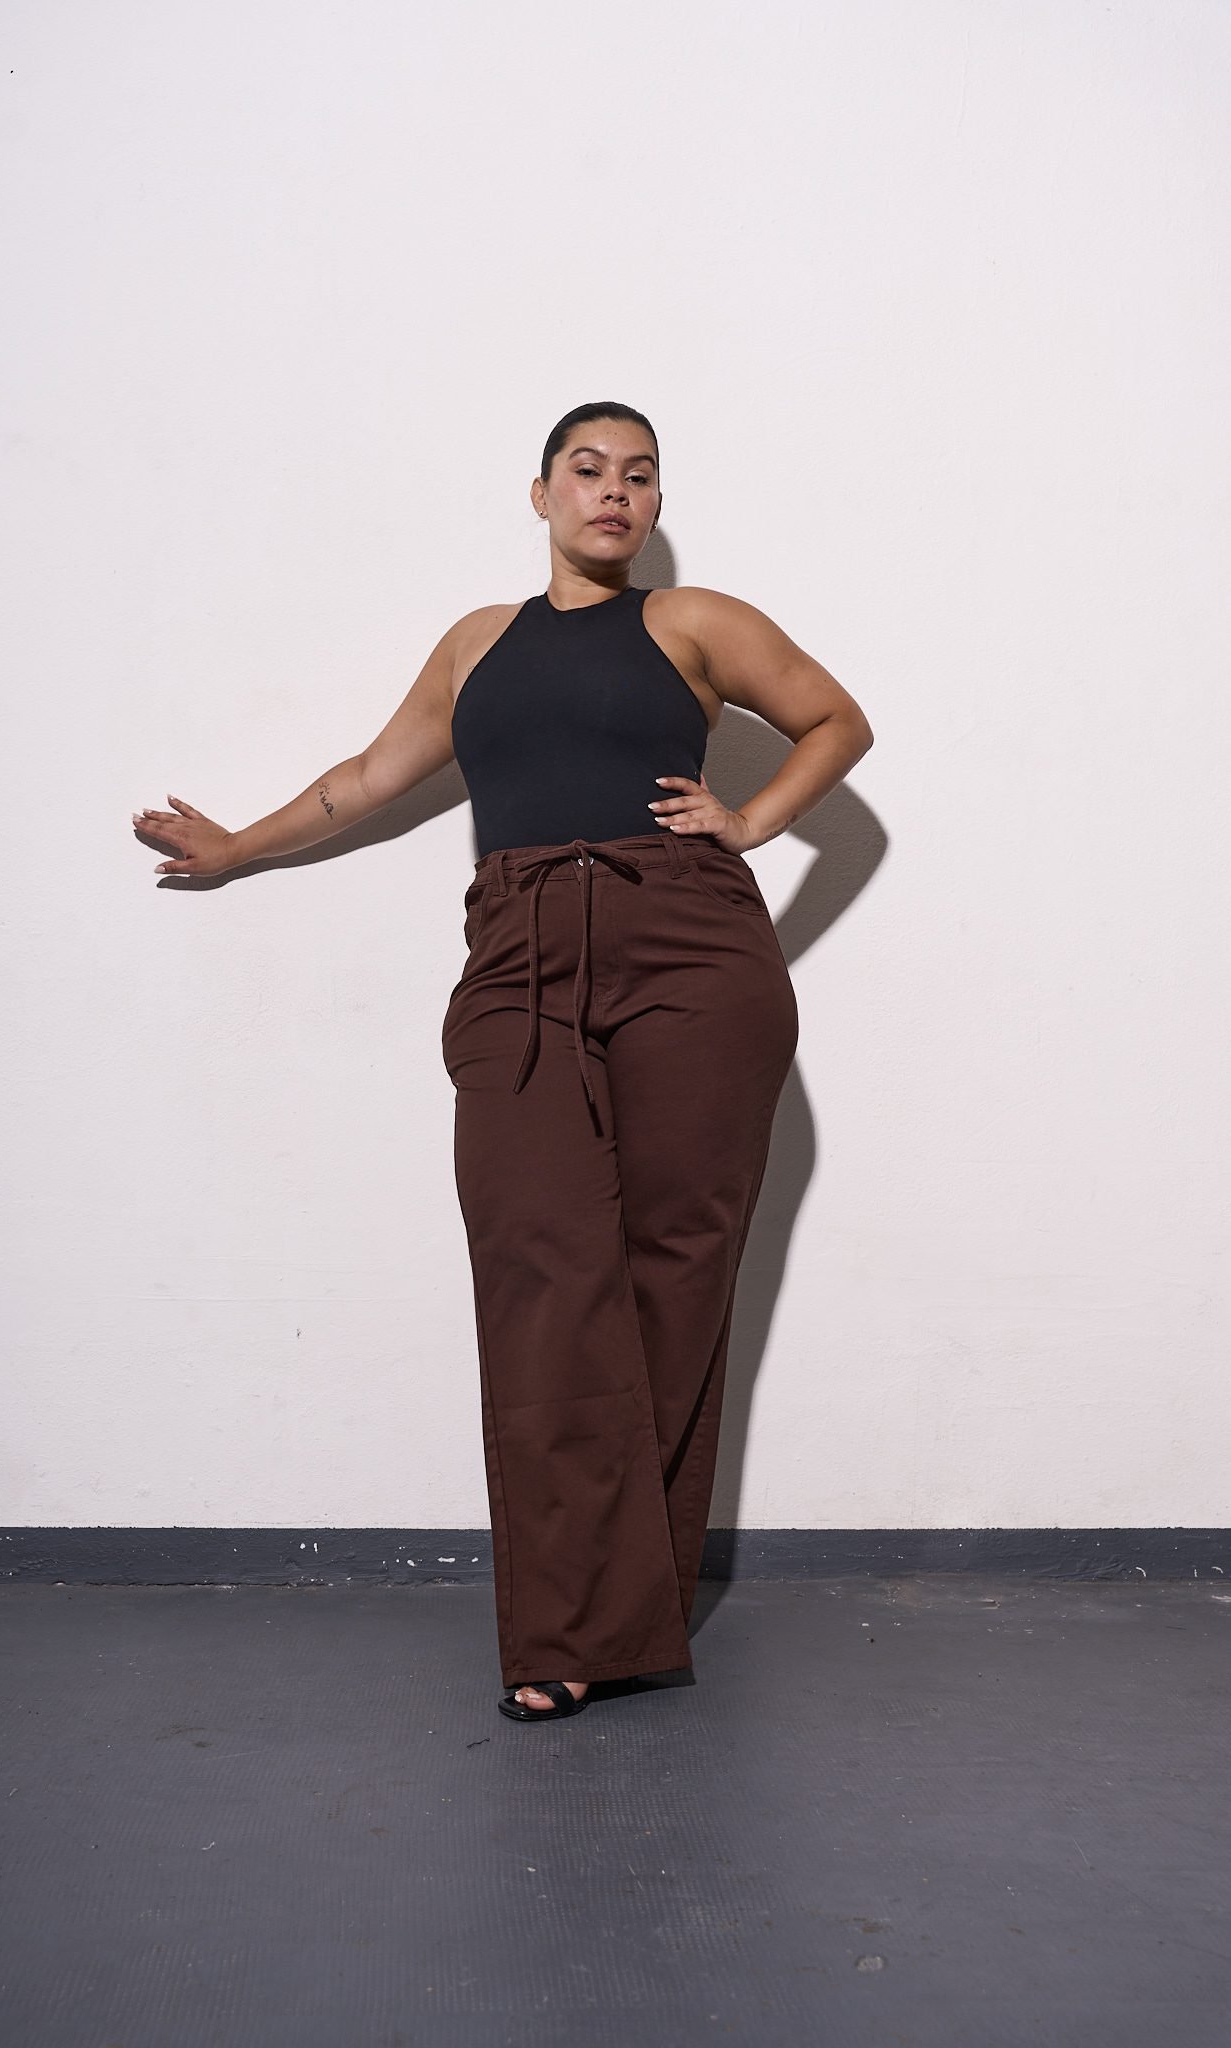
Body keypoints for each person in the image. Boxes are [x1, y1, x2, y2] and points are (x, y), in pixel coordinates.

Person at [132, 401, 874, 1725]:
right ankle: (592, 1613)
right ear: (540, 494)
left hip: (691, 952)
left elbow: (836, 721)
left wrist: (750, 820)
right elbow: (371, 776)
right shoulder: (478, 643)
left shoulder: (692, 622)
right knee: (543, 1272)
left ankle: (587, 1629)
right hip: (520, 955)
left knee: (673, 1273)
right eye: (587, 470)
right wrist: (236, 845)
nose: (614, 492)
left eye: (639, 476)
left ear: (656, 506)